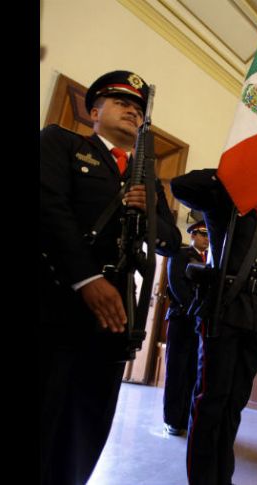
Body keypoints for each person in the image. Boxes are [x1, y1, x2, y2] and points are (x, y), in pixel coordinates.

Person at [40, 70, 181, 485]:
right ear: (95, 111)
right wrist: (85, 279)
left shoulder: (144, 176)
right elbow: (48, 208)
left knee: (89, 419)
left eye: (138, 110)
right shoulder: (62, 143)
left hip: (116, 316)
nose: (133, 113)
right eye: (123, 104)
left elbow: (170, 242)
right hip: (57, 303)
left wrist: (151, 208)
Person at [170, 169, 257, 485]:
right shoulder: (224, 199)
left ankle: (223, 476)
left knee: (235, 403)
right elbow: (181, 186)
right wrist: (231, 171)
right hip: (225, 310)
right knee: (211, 401)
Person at [162, 221, 209, 437]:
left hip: (199, 321)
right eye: (201, 234)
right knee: (177, 369)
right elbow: (176, 284)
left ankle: (186, 418)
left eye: (208, 235)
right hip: (182, 317)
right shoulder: (180, 254)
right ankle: (172, 419)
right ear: (192, 234)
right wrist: (195, 308)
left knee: (193, 370)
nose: (206, 238)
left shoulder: (210, 258)